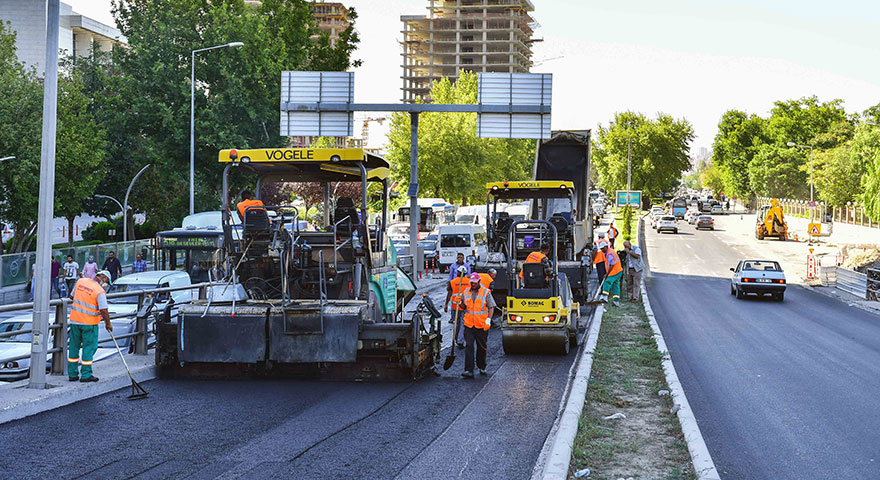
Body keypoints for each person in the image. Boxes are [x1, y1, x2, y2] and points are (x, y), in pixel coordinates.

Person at [68, 270, 113, 382]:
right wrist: (108, 324)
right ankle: (86, 374)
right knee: (89, 348)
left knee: (74, 347)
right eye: (107, 281)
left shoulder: (80, 281)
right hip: (89, 324)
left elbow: (71, 297)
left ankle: (72, 374)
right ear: (103, 277)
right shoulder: (99, 291)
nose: (106, 284)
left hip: (75, 321)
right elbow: (104, 310)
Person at [461, 273, 495, 378]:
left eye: (475, 283)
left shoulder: (486, 292)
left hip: (481, 325)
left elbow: (491, 306)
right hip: (469, 325)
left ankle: (482, 366)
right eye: (471, 282)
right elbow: (464, 306)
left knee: (481, 347)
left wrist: (488, 320)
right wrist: (459, 303)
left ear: (479, 282)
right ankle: (468, 370)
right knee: (469, 346)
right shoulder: (465, 292)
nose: (473, 284)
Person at [445, 265, 470, 348]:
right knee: (463, 323)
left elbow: (449, 294)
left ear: (458, 272)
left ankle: (457, 338)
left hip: (455, 305)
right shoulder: (469, 282)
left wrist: (446, 304)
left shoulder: (452, 282)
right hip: (465, 305)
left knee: (457, 322)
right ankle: (459, 340)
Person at [599, 242, 623, 307]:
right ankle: (616, 301)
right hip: (618, 271)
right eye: (601, 249)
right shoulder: (610, 252)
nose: (602, 250)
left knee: (607, 282)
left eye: (603, 249)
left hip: (614, 272)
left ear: (606, 247)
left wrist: (607, 274)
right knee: (615, 286)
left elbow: (611, 265)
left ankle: (604, 298)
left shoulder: (609, 254)